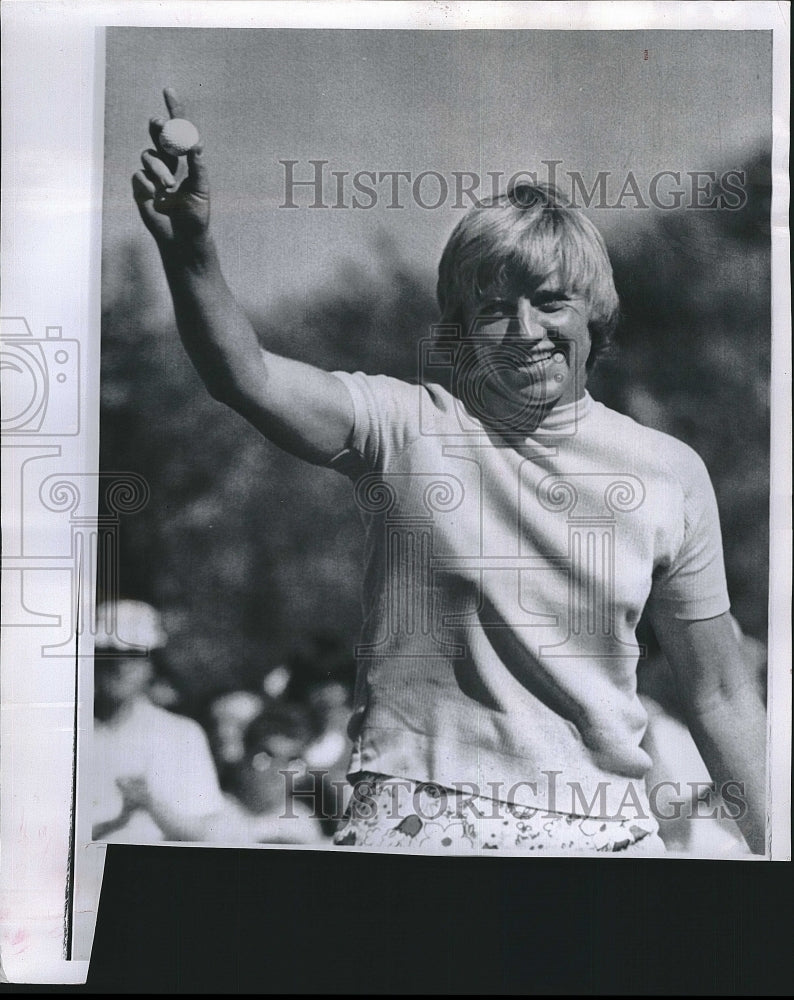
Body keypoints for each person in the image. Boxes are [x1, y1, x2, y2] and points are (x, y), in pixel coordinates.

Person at [131, 88, 766, 855]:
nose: (524, 330)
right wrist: (189, 248)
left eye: (551, 300)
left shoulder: (670, 472)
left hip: (605, 836)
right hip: (418, 819)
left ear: (595, 314)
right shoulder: (406, 426)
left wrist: (779, 855)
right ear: (460, 330)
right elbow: (247, 376)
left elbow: (722, 690)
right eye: (493, 308)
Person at [92, 599, 320, 845]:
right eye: (108, 654)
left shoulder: (181, 735)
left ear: (151, 663)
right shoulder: (59, 734)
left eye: (133, 655)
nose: (119, 666)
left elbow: (206, 836)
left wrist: (150, 803)